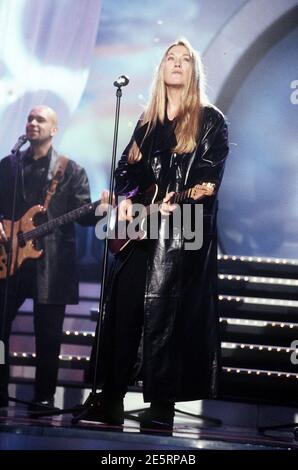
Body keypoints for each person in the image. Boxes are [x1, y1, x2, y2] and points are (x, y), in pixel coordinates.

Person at [87, 38, 229, 431]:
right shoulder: (147, 123)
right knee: (124, 309)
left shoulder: (211, 121)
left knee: (168, 317)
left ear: (194, 72)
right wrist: (130, 197)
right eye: (171, 58)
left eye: (185, 60)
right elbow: (125, 169)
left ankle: (161, 406)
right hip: (139, 232)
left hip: (181, 238)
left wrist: (179, 202)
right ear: (162, 69)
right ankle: (110, 399)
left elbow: (207, 181)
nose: (178, 64)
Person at [0, 105, 107, 411]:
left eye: (40, 119)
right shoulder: (8, 166)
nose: (33, 123)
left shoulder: (70, 171)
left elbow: (86, 217)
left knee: (48, 336)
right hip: (9, 260)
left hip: (52, 265)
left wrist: (101, 208)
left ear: (54, 129)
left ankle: (43, 397)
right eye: (30, 118)